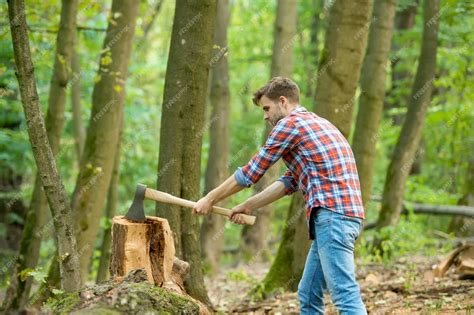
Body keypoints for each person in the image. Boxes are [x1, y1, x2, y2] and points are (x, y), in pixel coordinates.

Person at [193, 77, 367, 314]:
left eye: (267, 108)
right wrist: (248, 205)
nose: (265, 116)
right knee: (308, 294)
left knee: (345, 295)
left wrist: (209, 199)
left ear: (283, 101)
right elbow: (289, 181)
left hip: (333, 217)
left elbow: (250, 173)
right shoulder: (315, 123)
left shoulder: (290, 125)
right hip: (341, 217)